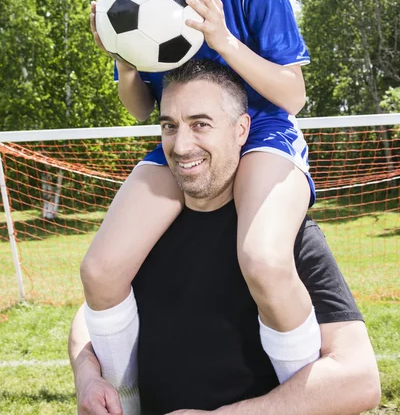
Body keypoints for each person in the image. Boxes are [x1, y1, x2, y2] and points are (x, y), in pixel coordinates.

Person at [82, 0, 319, 411]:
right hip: (181, 141)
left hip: (260, 134)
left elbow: (294, 95)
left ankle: (310, 398)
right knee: (102, 269)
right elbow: (142, 109)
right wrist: (122, 59)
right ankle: (130, 402)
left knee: (262, 258)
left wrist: (222, 39)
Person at [70, 59, 381, 415]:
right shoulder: (146, 230)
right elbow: (89, 315)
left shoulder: (282, 237)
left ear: (241, 129)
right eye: (169, 126)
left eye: (201, 124)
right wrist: (89, 376)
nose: (182, 145)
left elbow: (359, 379)